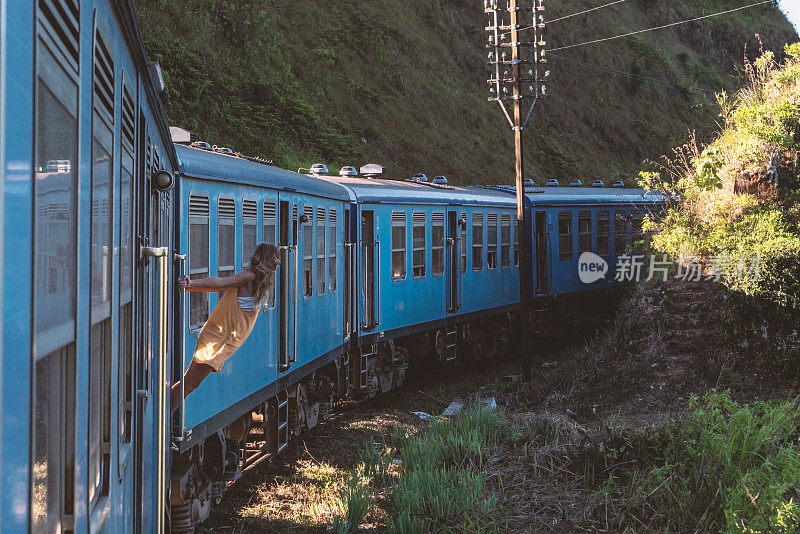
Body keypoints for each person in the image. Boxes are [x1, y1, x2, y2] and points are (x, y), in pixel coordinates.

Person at [171, 243, 280, 413]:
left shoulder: (258, 282)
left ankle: (163, 413)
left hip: (223, 341)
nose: (278, 264)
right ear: (267, 261)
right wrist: (190, 284)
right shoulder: (249, 276)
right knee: (190, 384)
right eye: (275, 260)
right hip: (217, 340)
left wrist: (190, 287)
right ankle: (162, 418)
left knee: (191, 383)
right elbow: (220, 283)